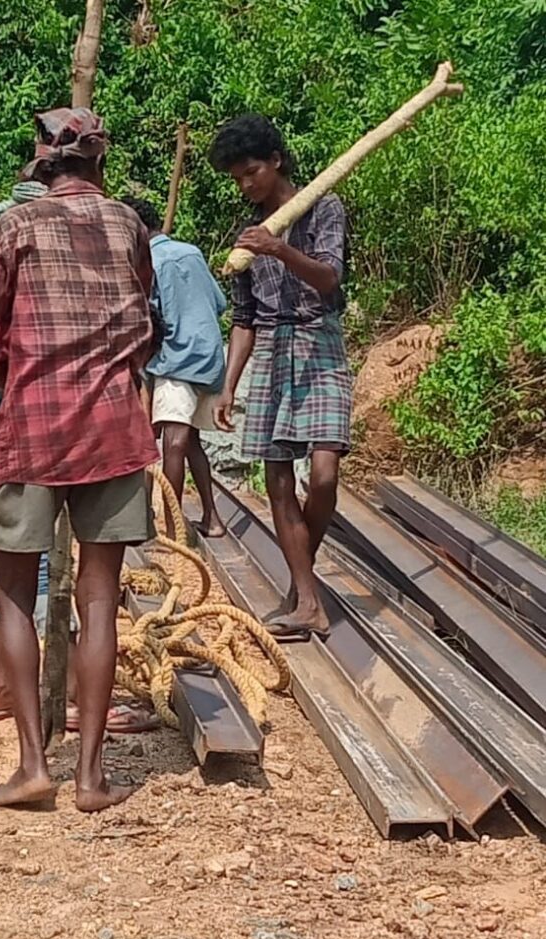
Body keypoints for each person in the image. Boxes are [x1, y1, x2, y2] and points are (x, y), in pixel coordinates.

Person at [0, 107, 159, 813]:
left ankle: (32, 767)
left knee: (16, 592)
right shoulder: (129, 224)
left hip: (33, 429)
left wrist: (20, 371)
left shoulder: (14, 227)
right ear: (100, 163)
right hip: (114, 428)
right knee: (100, 599)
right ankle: (91, 778)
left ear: (42, 164)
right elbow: (148, 326)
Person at [209, 114, 351, 640]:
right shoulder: (246, 236)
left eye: (252, 172)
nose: (247, 185)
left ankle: (300, 582)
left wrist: (280, 249)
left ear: (276, 161)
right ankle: (309, 601)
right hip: (271, 349)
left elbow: (329, 278)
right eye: (238, 178)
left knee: (324, 475)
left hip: (319, 342)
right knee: (277, 477)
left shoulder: (322, 208)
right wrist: (229, 384)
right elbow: (244, 319)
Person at [121, 198, 227, 539]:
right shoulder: (191, 252)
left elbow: (150, 318)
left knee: (174, 443)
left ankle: (172, 531)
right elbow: (219, 303)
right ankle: (212, 517)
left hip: (177, 358)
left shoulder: (148, 263)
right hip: (209, 357)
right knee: (192, 440)